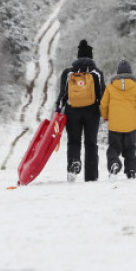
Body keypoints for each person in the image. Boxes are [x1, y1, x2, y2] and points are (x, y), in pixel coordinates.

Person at [55, 40, 105, 182]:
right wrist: (106, 111)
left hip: (72, 111)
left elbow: (62, 94)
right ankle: (91, 176)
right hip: (92, 111)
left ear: (77, 56)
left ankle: (73, 165)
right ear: (91, 56)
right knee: (91, 143)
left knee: (73, 141)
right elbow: (103, 95)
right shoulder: (96, 73)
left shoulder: (68, 72)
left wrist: (57, 111)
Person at [100, 58, 136, 179]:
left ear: (118, 74)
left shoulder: (110, 87)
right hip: (130, 125)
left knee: (113, 148)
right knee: (130, 149)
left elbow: (103, 105)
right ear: (130, 73)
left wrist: (106, 116)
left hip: (114, 125)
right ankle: (131, 170)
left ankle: (114, 163)